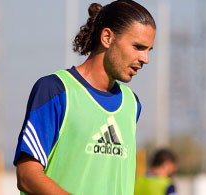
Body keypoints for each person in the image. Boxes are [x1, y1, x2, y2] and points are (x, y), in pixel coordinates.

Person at [14, 1, 156, 194]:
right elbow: (27, 175)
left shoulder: (132, 104)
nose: (145, 59)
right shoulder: (56, 90)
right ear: (107, 37)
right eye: (138, 47)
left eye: (149, 50)